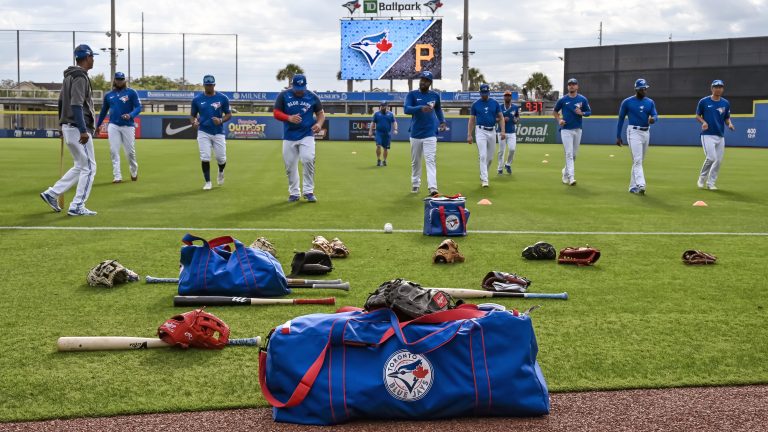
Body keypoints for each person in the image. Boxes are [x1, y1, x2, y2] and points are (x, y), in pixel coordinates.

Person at [39, 44, 99, 216]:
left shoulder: (68, 76)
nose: (93, 59)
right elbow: (76, 104)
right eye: (92, 57)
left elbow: (60, 102)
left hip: (68, 126)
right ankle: (77, 205)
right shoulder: (80, 76)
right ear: (87, 57)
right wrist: (82, 130)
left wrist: (61, 125)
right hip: (77, 127)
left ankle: (52, 193)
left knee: (80, 165)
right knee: (89, 167)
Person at [273, 74, 326, 202]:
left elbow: (320, 114)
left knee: (308, 159)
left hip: (306, 134)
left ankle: (308, 191)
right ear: (292, 85)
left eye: (302, 87)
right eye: (297, 87)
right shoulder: (283, 95)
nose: (300, 90)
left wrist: (319, 124)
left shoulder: (312, 96)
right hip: (289, 135)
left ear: (305, 85)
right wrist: (288, 118)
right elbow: (276, 113)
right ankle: (294, 193)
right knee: (290, 166)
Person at [403, 70, 446, 196]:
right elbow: (406, 109)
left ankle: (433, 188)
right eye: (422, 79)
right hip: (416, 133)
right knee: (416, 161)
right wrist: (420, 108)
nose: (423, 82)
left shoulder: (435, 96)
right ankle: (415, 184)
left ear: (430, 83)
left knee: (430, 160)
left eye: (426, 80)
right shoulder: (412, 95)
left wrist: (442, 121)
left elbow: (438, 109)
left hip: (430, 133)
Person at [95, 71, 142, 183]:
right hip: (113, 125)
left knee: (130, 152)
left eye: (121, 79)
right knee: (113, 150)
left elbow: (138, 107)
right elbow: (103, 111)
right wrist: (98, 125)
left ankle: (133, 170)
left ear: (124, 80)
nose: (119, 81)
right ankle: (117, 176)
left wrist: (130, 115)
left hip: (128, 126)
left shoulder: (131, 92)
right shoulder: (108, 95)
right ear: (114, 80)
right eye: (117, 79)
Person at [616, 78, 658, 195]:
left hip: (646, 132)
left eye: (645, 88)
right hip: (633, 132)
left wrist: (653, 119)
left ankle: (632, 186)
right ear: (636, 89)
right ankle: (641, 184)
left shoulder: (650, 102)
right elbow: (620, 119)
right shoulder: (627, 102)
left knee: (639, 161)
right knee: (638, 160)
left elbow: (655, 114)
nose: (644, 90)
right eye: (642, 88)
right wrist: (618, 136)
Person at [190, 75, 232, 190]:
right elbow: (192, 115)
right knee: (205, 157)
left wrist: (221, 120)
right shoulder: (197, 99)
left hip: (218, 132)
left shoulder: (223, 98)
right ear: (204, 85)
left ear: (214, 85)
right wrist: (193, 123)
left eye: (211, 85)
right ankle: (208, 182)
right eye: (207, 85)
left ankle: (221, 170)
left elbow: (229, 114)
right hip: (203, 131)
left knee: (221, 159)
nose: (209, 87)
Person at [696, 79, 735, 190]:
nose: (718, 89)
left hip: (720, 135)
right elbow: (697, 115)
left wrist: (730, 124)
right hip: (707, 134)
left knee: (718, 161)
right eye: (716, 87)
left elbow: (726, 118)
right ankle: (701, 179)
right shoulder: (704, 101)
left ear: (722, 89)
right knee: (711, 158)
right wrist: (703, 122)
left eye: (720, 87)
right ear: (712, 88)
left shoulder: (725, 103)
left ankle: (711, 183)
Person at [553, 78, 591, 186]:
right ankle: (571, 177)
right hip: (566, 130)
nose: (571, 86)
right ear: (567, 86)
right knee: (569, 154)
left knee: (574, 155)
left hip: (577, 129)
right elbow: (555, 112)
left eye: (573, 84)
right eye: (569, 84)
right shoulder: (563, 100)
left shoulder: (582, 99)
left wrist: (582, 113)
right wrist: (559, 120)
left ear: (577, 86)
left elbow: (589, 112)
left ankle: (565, 173)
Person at [467, 83, 504, 187]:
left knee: (490, 158)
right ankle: (485, 180)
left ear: (489, 92)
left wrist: (503, 131)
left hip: (492, 131)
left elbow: (501, 117)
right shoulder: (475, 104)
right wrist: (469, 134)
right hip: (480, 131)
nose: (484, 95)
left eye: (486, 93)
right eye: (483, 93)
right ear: (480, 93)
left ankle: (484, 173)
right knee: (483, 155)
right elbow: (471, 120)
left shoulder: (495, 103)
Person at [368, 101, 398, 166]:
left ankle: (384, 160)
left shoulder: (391, 114)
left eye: (384, 106)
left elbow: (394, 122)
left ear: (386, 106)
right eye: (381, 106)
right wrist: (370, 131)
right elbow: (373, 123)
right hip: (379, 133)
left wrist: (395, 129)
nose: (382, 107)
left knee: (385, 148)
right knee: (378, 146)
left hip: (387, 134)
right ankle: (378, 159)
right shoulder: (376, 114)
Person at [497, 90, 520, 175]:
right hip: (501, 132)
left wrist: (516, 120)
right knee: (501, 151)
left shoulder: (515, 107)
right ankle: (499, 168)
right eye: (506, 95)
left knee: (512, 149)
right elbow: (495, 119)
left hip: (511, 132)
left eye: (509, 95)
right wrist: (502, 119)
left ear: (511, 97)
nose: (507, 97)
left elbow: (517, 117)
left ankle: (508, 164)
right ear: (504, 97)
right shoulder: (499, 107)